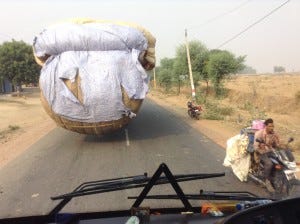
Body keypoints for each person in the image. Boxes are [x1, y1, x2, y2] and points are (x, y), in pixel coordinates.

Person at [254, 118, 279, 192]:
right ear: (266, 126)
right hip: (261, 152)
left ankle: (275, 177)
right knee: (269, 163)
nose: (272, 128)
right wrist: (261, 151)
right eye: (270, 126)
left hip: (270, 152)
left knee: (280, 162)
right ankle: (265, 180)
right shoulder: (259, 133)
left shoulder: (274, 134)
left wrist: (283, 146)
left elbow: (277, 144)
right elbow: (255, 147)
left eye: (273, 126)